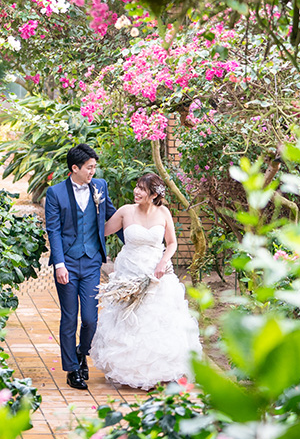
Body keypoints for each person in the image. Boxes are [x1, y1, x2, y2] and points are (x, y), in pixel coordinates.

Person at [89, 172, 202, 389]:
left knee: (159, 320)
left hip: (157, 272)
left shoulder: (164, 213)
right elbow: (101, 232)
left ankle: (163, 371)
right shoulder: (125, 212)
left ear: (153, 194)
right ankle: (130, 371)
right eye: (137, 187)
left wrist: (163, 262)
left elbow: (171, 243)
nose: (136, 192)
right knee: (130, 320)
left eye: (142, 189)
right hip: (130, 271)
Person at [44, 143, 118, 390]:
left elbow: (112, 215)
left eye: (94, 167)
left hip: (91, 261)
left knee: (89, 319)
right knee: (68, 318)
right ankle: (72, 369)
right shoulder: (55, 193)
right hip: (67, 263)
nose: (92, 172)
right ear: (74, 168)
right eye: (89, 167)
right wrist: (59, 264)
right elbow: (53, 230)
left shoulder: (100, 187)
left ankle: (81, 351)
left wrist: (135, 240)